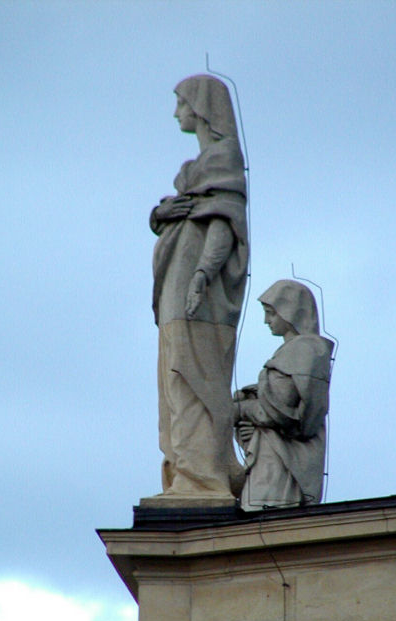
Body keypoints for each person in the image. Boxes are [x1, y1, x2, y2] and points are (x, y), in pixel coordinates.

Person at [149, 75, 248, 501]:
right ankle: (182, 471)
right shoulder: (195, 169)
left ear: (202, 107)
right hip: (176, 284)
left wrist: (202, 276)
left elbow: (224, 224)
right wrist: (161, 213)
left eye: (182, 103)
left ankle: (201, 478)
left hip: (198, 292)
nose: (176, 113)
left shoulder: (223, 158)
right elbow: (172, 214)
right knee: (174, 377)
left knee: (194, 377)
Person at [234, 280, 333, 511]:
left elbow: (283, 413)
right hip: (269, 456)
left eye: (271, 313)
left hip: (284, 466)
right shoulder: (290, 351)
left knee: (267, 520)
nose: (266, 320)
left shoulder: (306, 350)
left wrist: (240, 409)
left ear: (290, 311)